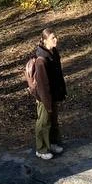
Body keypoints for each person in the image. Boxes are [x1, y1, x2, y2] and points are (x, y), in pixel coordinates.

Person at [32, 28, 67, 161]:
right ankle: (41, 149)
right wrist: (47, 103)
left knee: (53, 121)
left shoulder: (53, 52)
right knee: (43, 122)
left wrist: (61, 92)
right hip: (44, 97)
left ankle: (51, 143)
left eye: (56, 37)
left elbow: (58, 75)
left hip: (53, 94)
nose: (56, 40)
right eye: (52, 38)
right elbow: (42, 86)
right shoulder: (41, 60)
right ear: (45, 40)